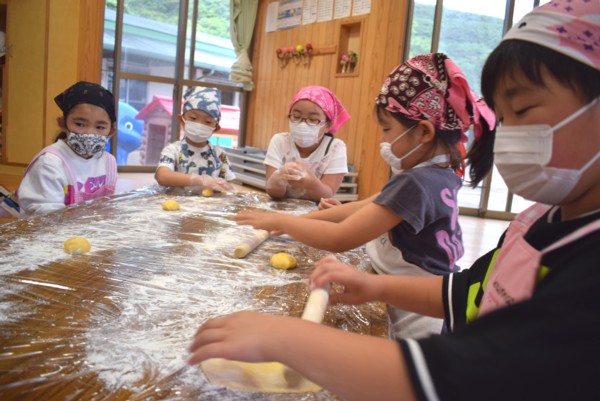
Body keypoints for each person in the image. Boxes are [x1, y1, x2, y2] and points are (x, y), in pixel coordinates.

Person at [189, 2, 600, 400]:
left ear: (423, 132)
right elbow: (466, 291)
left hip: (426, 337)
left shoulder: (588, 266)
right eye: (504, 117)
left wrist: (291, 337)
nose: (507, 135)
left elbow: (468, 375)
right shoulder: (536, 221)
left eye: (523, 110)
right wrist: (375, 285)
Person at [234, 53, 495, 339]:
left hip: (416, 316)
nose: (383, 140)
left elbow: (341, 238)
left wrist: (282, 221)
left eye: (387, 129)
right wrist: (306, 219)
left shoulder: (417, 182)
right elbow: (367, 206)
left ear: (423, 132)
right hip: (411, 294)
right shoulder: (438, 173)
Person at [17, 81, 118, 216]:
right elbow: (47, 216)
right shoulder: (49, 163)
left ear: (111, 131)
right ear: (63, 123)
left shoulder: (109, 163)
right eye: (80, 124)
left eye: (100, 127)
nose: (89, 133)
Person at [263, 85, 350, 202]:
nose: (302, 124)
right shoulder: (279, 141)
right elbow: (272, 192)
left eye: (313, 119)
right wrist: (279, 178)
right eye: (296, 116)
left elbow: (328, 194)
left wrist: (310, 182)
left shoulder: (335, 148)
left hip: (315, 211)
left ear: (328, 125)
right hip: (280, 209)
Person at [155, 86, 235, 192]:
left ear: (215, 128)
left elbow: (229, 184)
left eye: (208, 122)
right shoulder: (173, 150)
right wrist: (199, 180)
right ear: (182, 120)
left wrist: (224, 186)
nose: (199, 125)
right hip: (177, 201)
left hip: (208, 202)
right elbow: (162, 176)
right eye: (193, 118)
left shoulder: (220, 155)